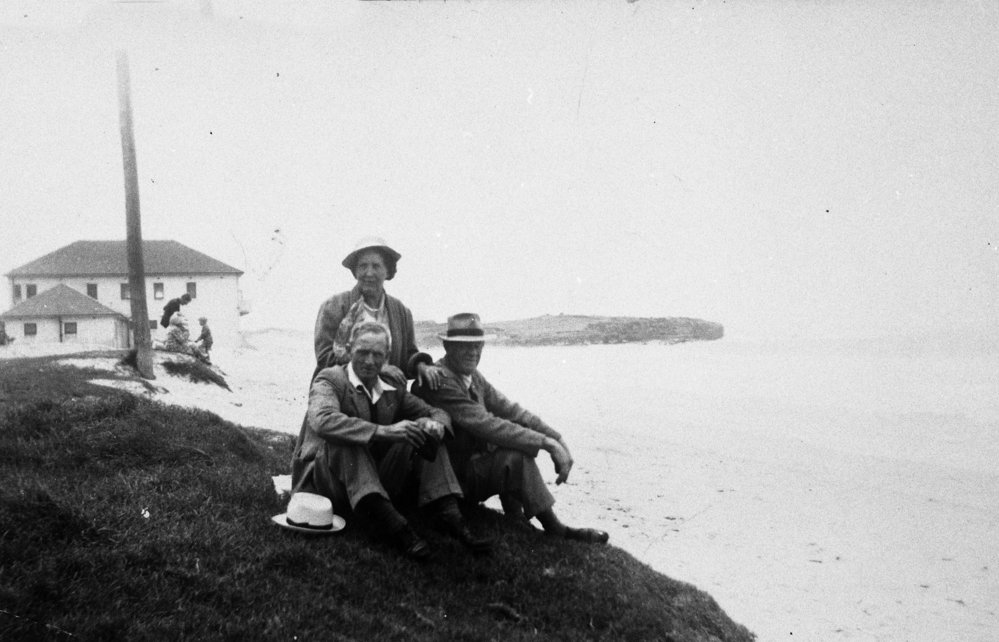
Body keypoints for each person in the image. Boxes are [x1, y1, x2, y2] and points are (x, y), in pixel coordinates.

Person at [291, 321, 492, 559]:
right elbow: (323, 420)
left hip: (374, 481)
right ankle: (398, 529)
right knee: (346, 441)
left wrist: (435, 425)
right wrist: (383, 431)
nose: (369, 361)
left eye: (377, 354)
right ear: (348, 349)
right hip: (329, 483)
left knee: (419, 432)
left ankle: (452, 518)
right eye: (362, 352)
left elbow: (437, 412)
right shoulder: (330, 380)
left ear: (386, 356)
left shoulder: (390, 388)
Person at [414, 312, 609, 544]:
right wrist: (546, 443)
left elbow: (513, 411)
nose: (473, 352)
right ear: (448, 347)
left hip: (467, 472)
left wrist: (557, 438)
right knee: (515, 450)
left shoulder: (473, 377)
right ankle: (550, 527)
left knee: (517, 452)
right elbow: (487, 424)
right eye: (464, 346)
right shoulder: (441, 380)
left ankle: (547, 525)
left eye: (477, 345)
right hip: (447, 483)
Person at [312, 237, 444, 389]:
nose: (369, 273)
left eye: (376, 266)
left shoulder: (401, 311)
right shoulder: (334, 306)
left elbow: (408, 355)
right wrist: (378, 368)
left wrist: (421, 366)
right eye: (363, 266)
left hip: (388, 399)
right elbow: (325, 358)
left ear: (388, 270)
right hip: (342, 394)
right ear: (355, 270)